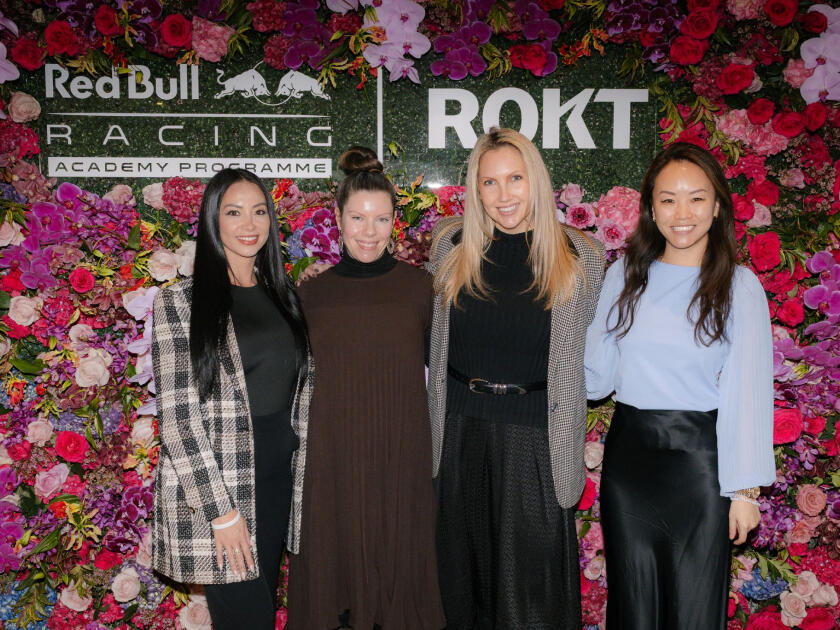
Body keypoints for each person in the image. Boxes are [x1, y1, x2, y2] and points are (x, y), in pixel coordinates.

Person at [584, 143, 775, 629]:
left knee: (694, 610)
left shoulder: (739, 287)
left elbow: (747, 394)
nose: (682, 213)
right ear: (651, 208)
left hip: (699, 471)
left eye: (696, 198)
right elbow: (595, 378)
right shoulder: (624, 276)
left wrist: (745, 491)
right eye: (668, 199)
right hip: (629, 466)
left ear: (717, 205)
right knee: (634, 607)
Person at [427, 127, 606, 629]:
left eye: (515, 179)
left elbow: (589, 356)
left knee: (532, 601)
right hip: (460, 437)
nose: (503, 196)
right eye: (489, 183)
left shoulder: (581, 256)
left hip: (537, 443)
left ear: (538, 181)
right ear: (475, 189)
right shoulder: (449, 246)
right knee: (463, 592)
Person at [286, 146, 445, 630]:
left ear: (395, 221)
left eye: (380, 219)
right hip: (332, 459)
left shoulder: (422, 288)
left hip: (402, 456)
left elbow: (439, 371)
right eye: (357, 218)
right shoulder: (311, 292)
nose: (368, 232)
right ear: (337, 218)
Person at [151, 168, 312, 629]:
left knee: (259, 610)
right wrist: (221, 513)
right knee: (247, 619)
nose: (249, 224)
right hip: (222, 488)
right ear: (212, 221)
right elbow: (179, 420)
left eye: (259, 211)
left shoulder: (287, 299)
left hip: (278, 481)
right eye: (234, 212)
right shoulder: (179, 303)